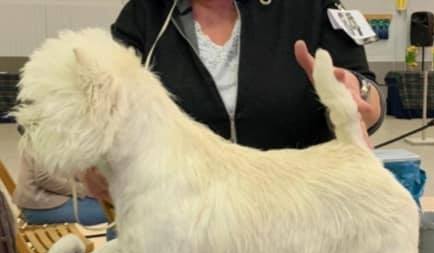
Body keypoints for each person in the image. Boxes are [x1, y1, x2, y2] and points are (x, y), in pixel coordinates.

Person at [84, 0, 384, 201]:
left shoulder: (313, 6)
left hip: (305, 208)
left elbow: (366, 89)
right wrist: (97, 160)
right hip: (185, 224)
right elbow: (105, 102)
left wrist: (356, 93)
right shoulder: (145, 14)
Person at [13, 152, 107, 225]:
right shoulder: (41, 134)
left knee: (111, 204)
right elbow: (44, 178)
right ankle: (117, 249)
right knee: (116, 213)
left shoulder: (58, 133)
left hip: (52, 199)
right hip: (39, 207)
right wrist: (83, 190)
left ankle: (115, 248)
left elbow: (71, 167)